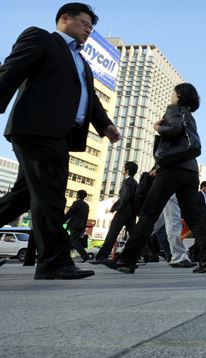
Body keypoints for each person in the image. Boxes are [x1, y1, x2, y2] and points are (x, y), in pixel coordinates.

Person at [0, 3, 120, 279]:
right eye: (85, 23)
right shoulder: (42, 38)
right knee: (50, 195)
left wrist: (105, 125)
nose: (89, 30)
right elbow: (12, 68)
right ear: (64, 19)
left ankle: (53, 260)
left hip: (59, 135)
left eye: (92, 26)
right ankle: (54, 262)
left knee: (23, 198)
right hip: (37, 129)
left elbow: (90, 100)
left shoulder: (83, 63)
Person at [103, 83, 206, 274]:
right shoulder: (190, 115)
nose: (171, 95)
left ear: (180, 95)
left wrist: (158, 127)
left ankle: (127, 260)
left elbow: (173, 129)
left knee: (149, 213)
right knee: (193, 216)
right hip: (190, 171)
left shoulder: (174, 110)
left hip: (172, 169)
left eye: (173, 92)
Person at [91, 161, 138, 263]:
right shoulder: (135, 182)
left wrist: (118, 208)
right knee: (134, 234)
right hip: (132, 212)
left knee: (112, 234)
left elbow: (124, 197)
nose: (122, 169)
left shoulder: (126, 182)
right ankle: (148, 254)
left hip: (123, 211)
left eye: (123, 168)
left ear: (127, 170)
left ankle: (101, 257)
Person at [188, 180, 206, 261]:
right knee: (199, 238)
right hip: (199, 220)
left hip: (204, 220)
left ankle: (194, 253)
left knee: (199, 239)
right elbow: (197, 207)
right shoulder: (198, 195)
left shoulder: (205, 196)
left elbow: (205, 209)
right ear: (203, 186)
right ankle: (193, 253)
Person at [64, 189, 90, 262]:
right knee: (72, 241)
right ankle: (65, 256)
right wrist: (84, 227)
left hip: (75, 225)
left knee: (73, 241)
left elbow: (70, 213)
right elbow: (86, 217)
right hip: (81, 226)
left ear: (78, 195)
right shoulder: (86, 205)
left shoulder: (76, 203)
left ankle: (85, 255)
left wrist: (62, 220)